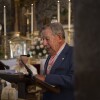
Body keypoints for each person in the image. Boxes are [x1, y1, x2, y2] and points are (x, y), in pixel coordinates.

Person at [35, 22, 74, 100]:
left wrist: (46, 78)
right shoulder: (50, 55)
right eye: (43, 39)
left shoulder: (74, 53)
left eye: (47, 39)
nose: (44, 43)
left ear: (59, 37)